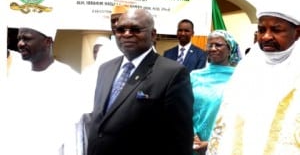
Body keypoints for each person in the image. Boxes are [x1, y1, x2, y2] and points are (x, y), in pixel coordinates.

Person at [85, 8, 194, 155]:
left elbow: (180, 140)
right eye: (121, 30)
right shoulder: (105, 69)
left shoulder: (172, 73)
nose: (127, 34)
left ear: (153, 34)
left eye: (135, 29)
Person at [206, 0, 300, 154]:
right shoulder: (246, 71)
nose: (266, 36)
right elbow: (224, 127)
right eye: (261, 30)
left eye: (276, 30)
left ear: (297, 33)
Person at [5, 26, 82, 155]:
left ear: (47, 42)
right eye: (19, 39)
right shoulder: (15, 75)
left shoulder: (69, 79)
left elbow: (75, 132)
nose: (20, 44)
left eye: (27, 39)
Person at [190, 30, 241, 155]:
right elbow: (183, 108)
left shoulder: (239, 78)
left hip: (223, 144)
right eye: (210, 45)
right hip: (192, 143)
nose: (213, 48)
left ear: (230, 50)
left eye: (218, 45)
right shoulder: (194, 76)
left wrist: (211, 143)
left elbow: (239, 117)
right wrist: (191, 134)